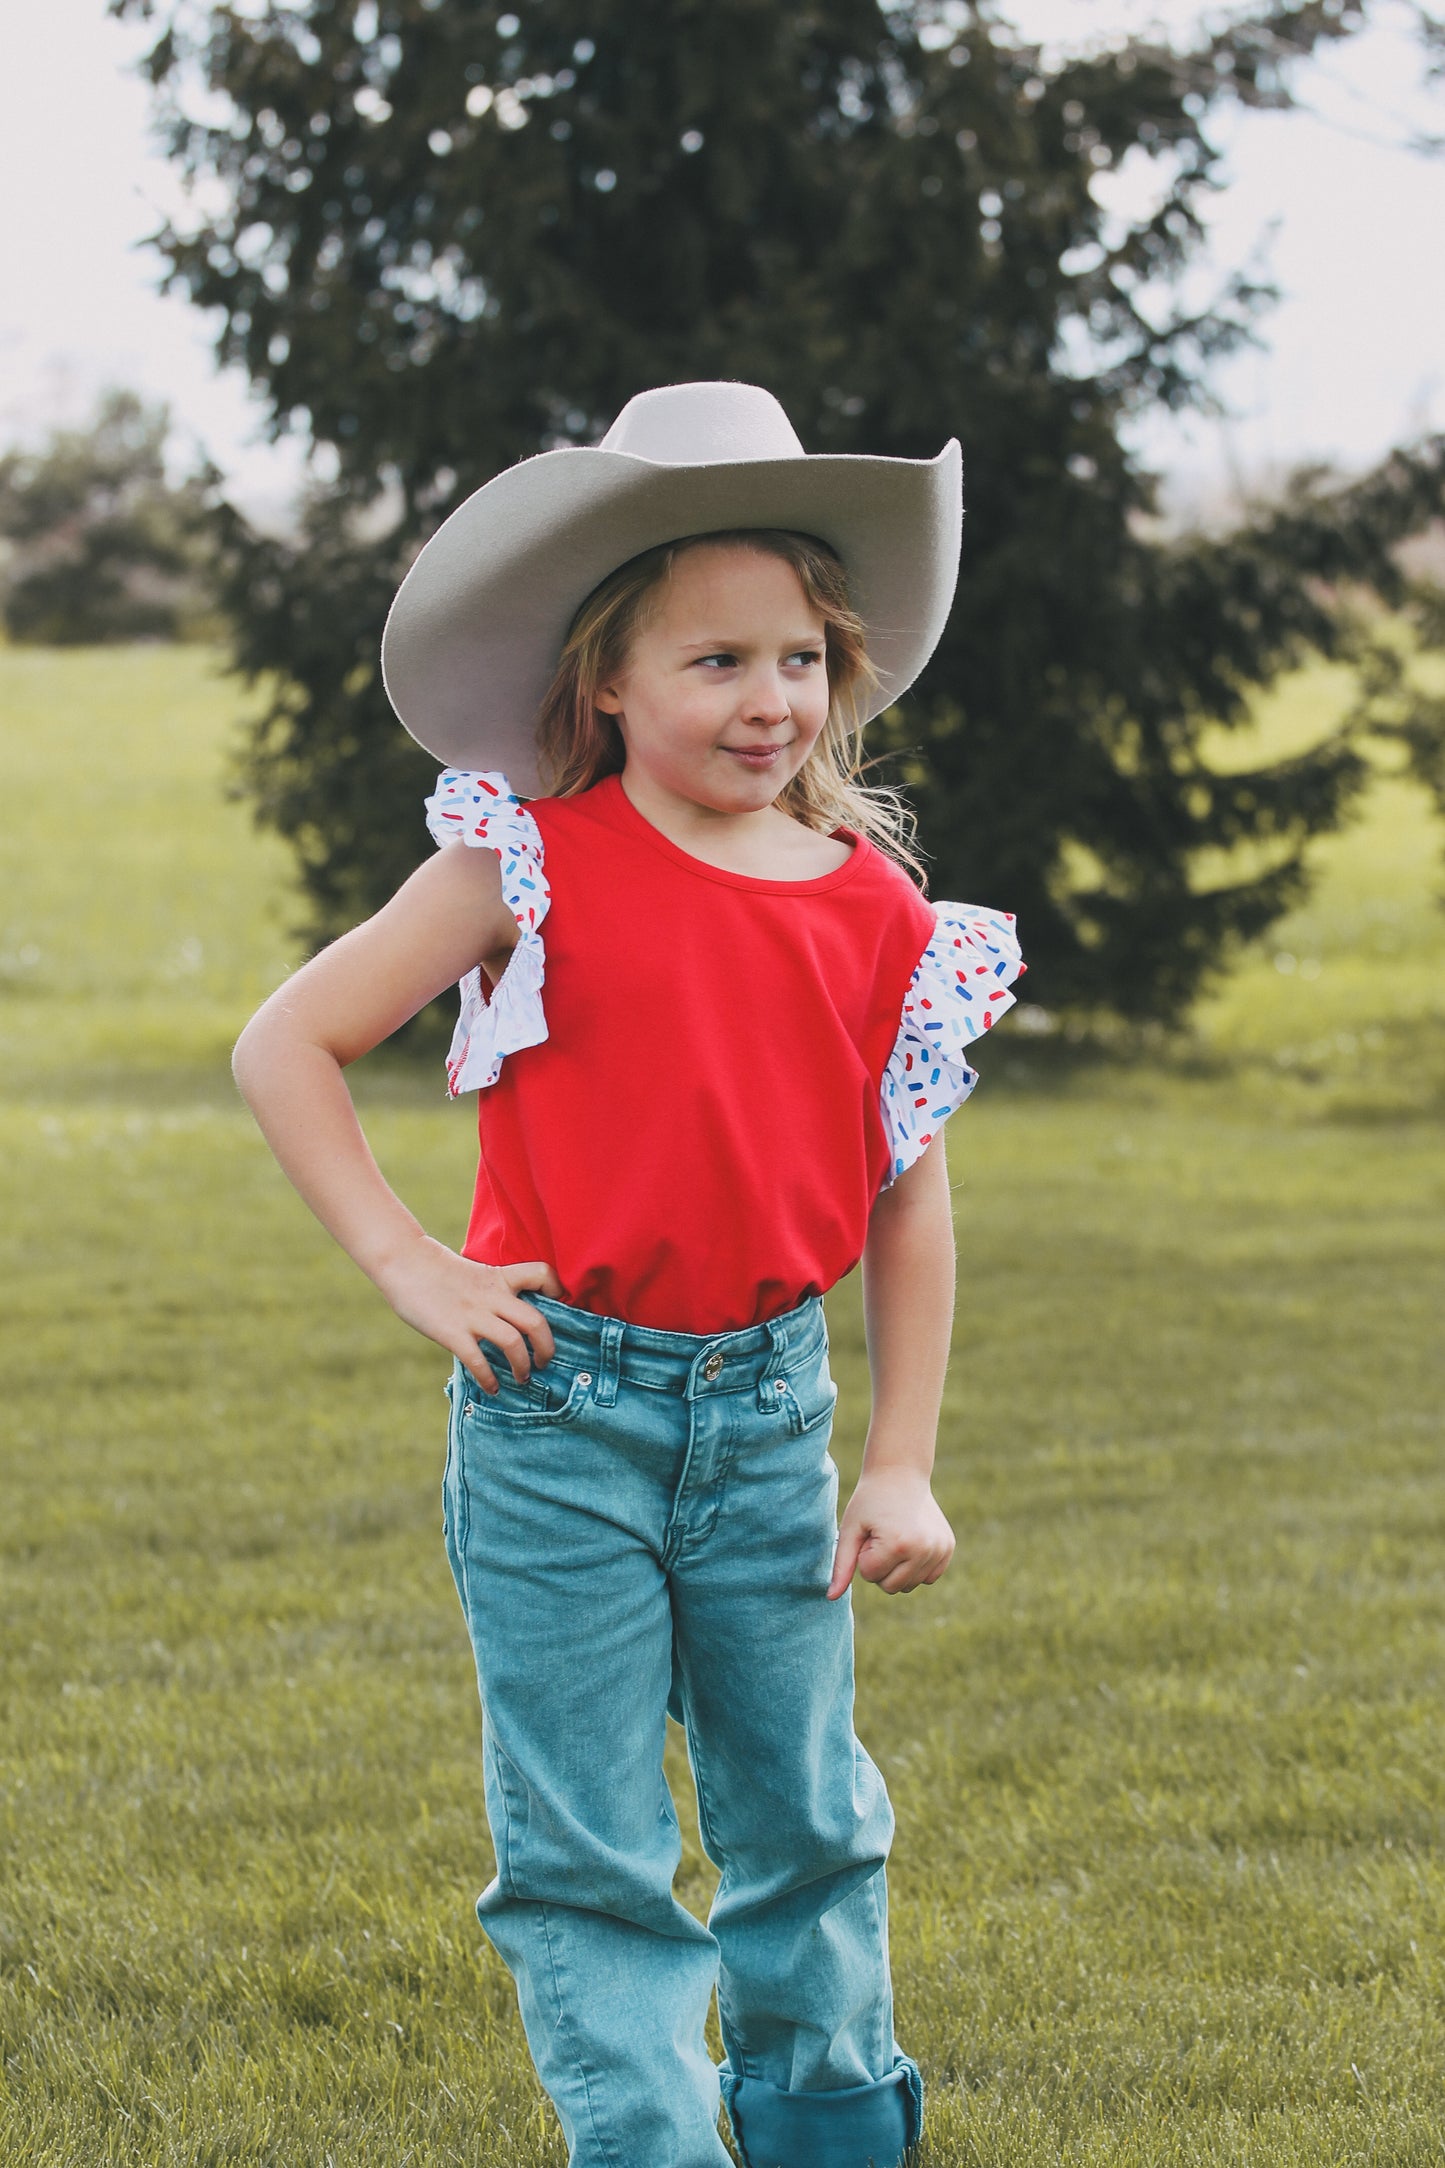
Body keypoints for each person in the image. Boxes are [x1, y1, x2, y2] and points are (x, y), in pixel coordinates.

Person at [232, 381, 1024, 2168]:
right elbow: (288, 1042)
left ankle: (827, 2135)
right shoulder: (525, 864)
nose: (771, 701)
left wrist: (898, 1454)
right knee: (591, 1854)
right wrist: (410, 1264)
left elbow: (907, 1197)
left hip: (767, 1423)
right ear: (605, 676)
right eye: (715, 661)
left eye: (801, 659)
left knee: (806, 1821)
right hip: (554, 1418)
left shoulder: (877, 908)